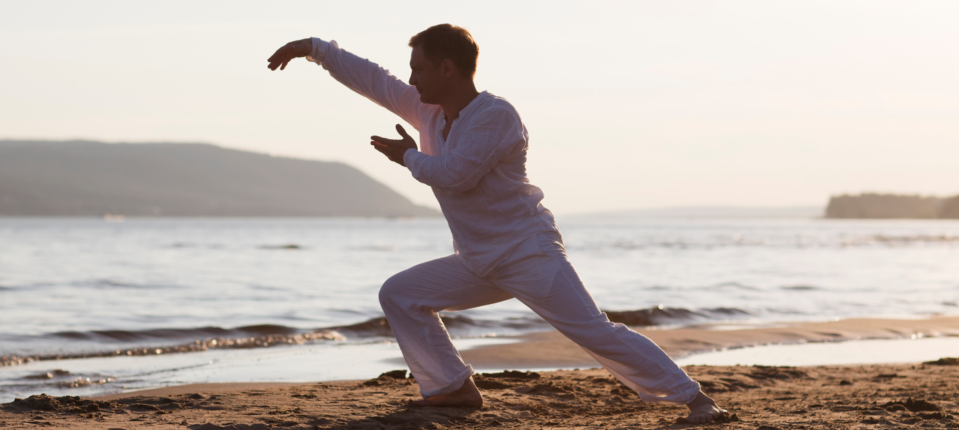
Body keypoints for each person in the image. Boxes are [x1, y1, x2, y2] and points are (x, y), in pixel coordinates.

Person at [267, 23, 728, 423]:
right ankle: (452, 388)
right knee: (401, 294)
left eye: (421, 69)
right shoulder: (430, 112)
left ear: (448, 68)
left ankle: (695, 397)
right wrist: (315, 49)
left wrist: (406, 155)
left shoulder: (496, 116)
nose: (412, 79)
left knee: (595, 332)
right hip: (477, 259)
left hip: (528, 253)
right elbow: (376, 81)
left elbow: (457, 175)